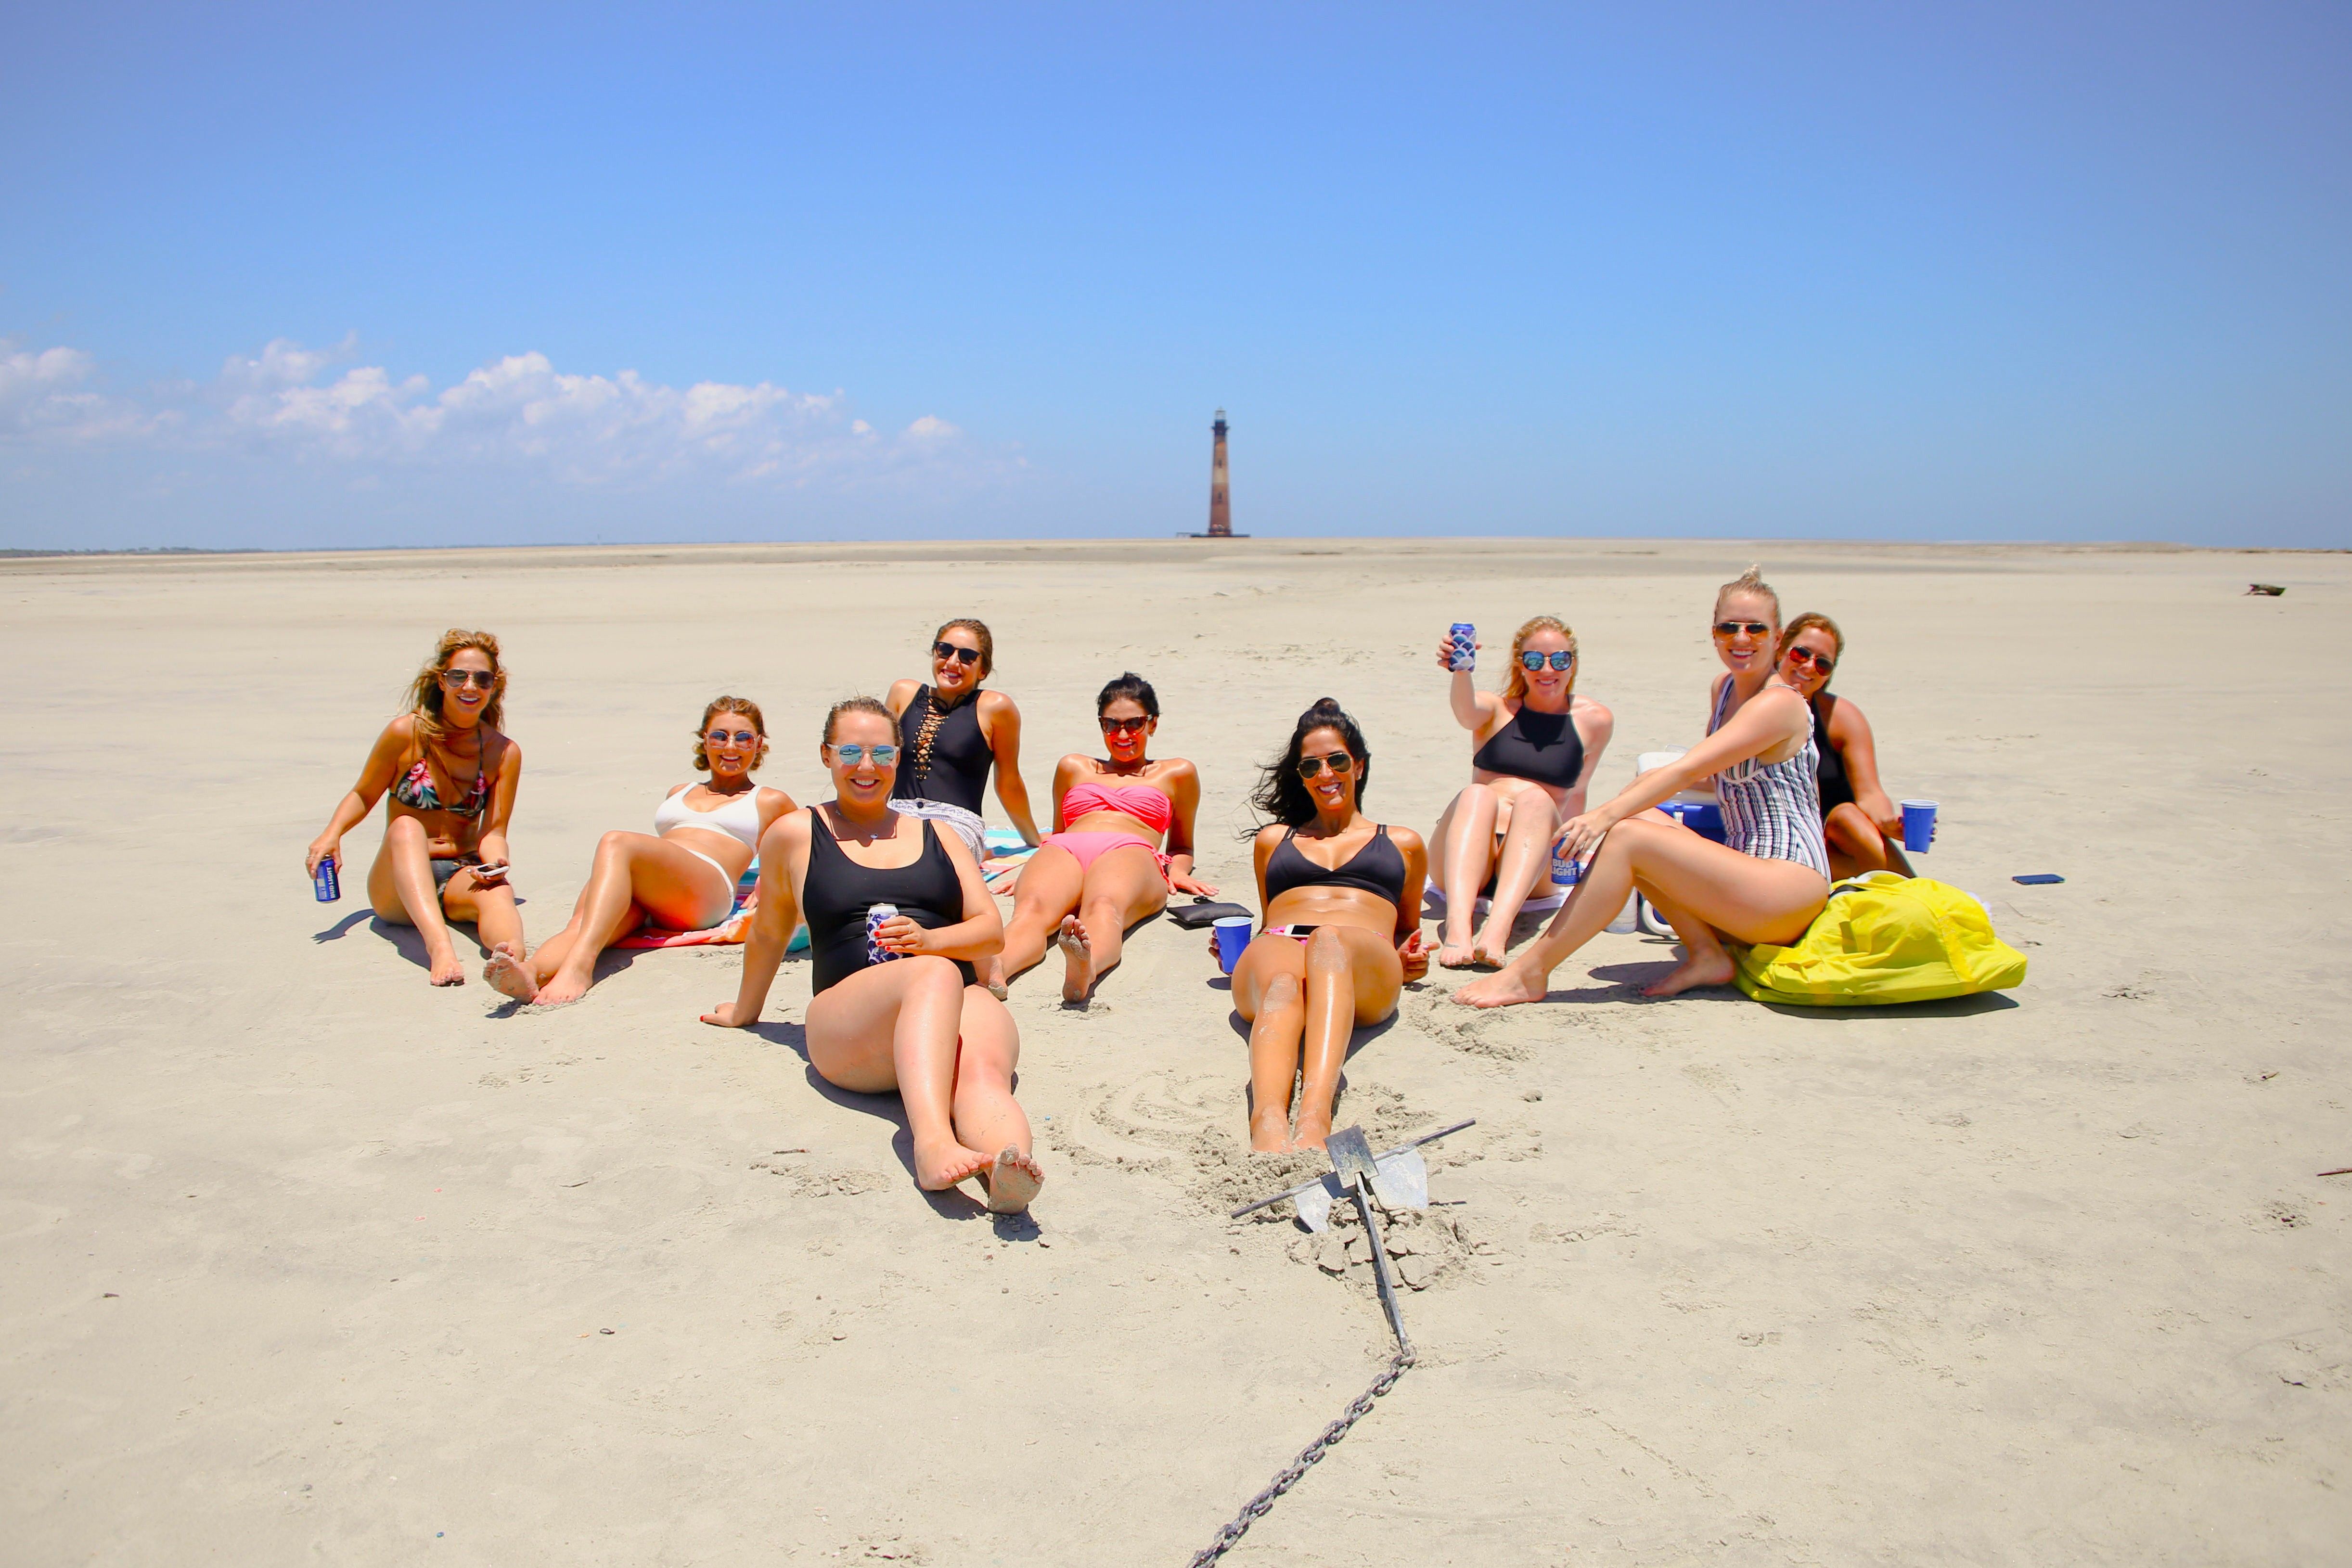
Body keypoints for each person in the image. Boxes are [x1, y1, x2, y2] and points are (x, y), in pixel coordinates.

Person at [700, 697, 1041, 1213]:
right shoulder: (795, 833)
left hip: (946, 1001)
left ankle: (1005, 1171)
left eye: (882, 752)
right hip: (850, 1025)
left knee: (980, 1073)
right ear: (826, 755)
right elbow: (769, 932)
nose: (867, 767)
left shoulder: (939, 835)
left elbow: (990, 931)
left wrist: (931, 941)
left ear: (899, 758)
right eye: (851, 752)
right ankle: (931, 1144)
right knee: (931, 977)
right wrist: (745, 1012)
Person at [1453, 567, 1831, 1008]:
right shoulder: (1726, 688)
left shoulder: (1779, 704)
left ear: (1778, 636)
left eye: (1755, 628)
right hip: (1746, 872)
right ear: (1713, 633)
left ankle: (1530, 973)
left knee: (1627, 832)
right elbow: (1715, 776)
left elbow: (1687, 770)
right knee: (1639, 819)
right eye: (1729, 627)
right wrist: (1629, 803)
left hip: (1788, 886)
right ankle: (1707, 955)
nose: (1741, 638)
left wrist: (1601, 816)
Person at [484, 697, 797, 1005]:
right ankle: (531, 972)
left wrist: (767, 883)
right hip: (659, 888)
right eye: (720, 736)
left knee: (616, 842)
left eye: (743, 738)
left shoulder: (769, 800)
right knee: (585, 922)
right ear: (705, 741)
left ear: (758, 745)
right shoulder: (680, 791)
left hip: (707, 892)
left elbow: (802, 847)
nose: (730, 747)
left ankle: (580, 966)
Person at [1225, 701, 1428, 1152]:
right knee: (1281, 983)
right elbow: (1266, 920)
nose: (1325, 774)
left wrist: (1408, 958)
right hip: (1282, 941)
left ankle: (1316, 1114)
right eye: (1310, 766)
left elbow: (1406, 930)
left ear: (1357, 765)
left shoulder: (1402, 842)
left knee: (1328, 940)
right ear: (1300, 775)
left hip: (1358, 952)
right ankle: (1268, 1119)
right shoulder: (1274, 840)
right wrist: (1236, 954)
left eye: (1336, 761)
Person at [307, 630, 525, 987]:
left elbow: (495, 831)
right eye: (459, 676)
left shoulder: (504, 752)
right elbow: (364, 794)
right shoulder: (405, 734)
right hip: (397, 887)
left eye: (482, 679)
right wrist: (331, 835)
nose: (470, 686)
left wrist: (496, 862)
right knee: (406, 827)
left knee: (499, 894)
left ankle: (512, 961)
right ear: (442, 681)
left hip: (458, 870)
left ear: (494, 686)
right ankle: (439, 948)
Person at [999, 672, 1217, 1004]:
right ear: (1101, 726)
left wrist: (1179, 871)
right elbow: (1058, 832)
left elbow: (1181, 845)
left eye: (1134, 724)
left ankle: (1086, 968)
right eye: (1111, 725)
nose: (1123, 734)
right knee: (1031, 908)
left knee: (1104, 907)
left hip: (1129, 850)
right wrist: (1034, 869)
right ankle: (996, 969)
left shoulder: (1177, 773)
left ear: (1153, 724)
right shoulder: (1073, 766)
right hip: (1066, 849)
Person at [1428, 616, 1613, 968]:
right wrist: (1460, 671)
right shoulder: (1495, 709)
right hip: (1470, 853)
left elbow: (1578, 794)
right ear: (1519, 664)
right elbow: (1465, 713)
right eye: (1534, 660)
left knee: (1536, 798)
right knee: (1478, 794)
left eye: (1559, 660)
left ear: (1572, 663)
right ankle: (1458, 927)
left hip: (1534, 863)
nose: (1547, 669)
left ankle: (1497, 931)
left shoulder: (1594, 720)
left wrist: (1570, 862)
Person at [885, 618, 1043, 994]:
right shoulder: (903, 693)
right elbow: (879, 761)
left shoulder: (995, 707)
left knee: (935, 858)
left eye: (967, 656)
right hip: (898, 809)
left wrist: (1035, 840)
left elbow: (1009, 782)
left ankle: (985, 963)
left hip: (954, 819)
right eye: (944, 651)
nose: (953, 662)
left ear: (982, 668)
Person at [1775, 613, 1917, 877]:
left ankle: (1913, 897)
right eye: (1801, 654)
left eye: (1823, 664)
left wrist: (1888, 822)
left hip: (1836, 843)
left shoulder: (1839, 717)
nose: (1809, 667)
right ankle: (1916, 896)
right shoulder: (1747, 707)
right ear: (1780, 649)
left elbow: (1870, 793)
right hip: (1780, 843)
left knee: (1847, 817)